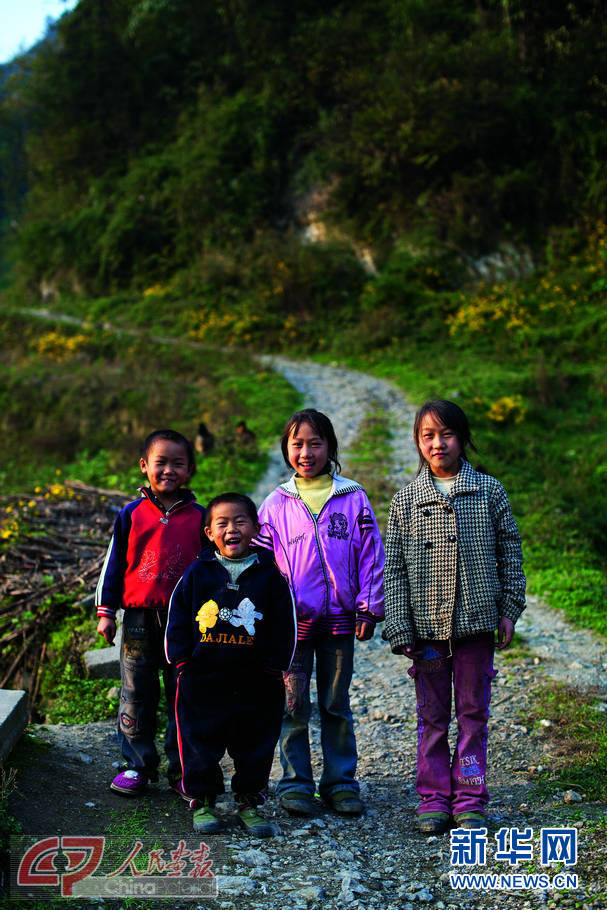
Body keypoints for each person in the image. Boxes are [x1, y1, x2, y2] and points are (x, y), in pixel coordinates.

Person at [383, 399, 526, 834]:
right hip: (426, 628)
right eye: (428, 435)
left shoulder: (488, 491)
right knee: (431, 716)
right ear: (417, 442)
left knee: (472, 712)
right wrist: (400, 624)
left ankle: (469, 795)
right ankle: (433, 797)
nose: (437, 443)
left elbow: (510, 553)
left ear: (462, 439)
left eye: (446, 434)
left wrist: (508, 609)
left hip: (476, 624)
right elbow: (394, 568)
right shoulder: (407, 500)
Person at [256, 408, 385, 818]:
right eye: (297, 444)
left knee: (335, 704)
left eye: (315, 443)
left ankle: (341, 783)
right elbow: (260, 566)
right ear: (286, 449)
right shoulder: (275, 504)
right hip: (291, 628)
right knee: (293, 706)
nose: (306, 452)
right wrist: (267, 617)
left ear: (330, 447)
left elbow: (371, 557)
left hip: (340, 623)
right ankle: (295, 782)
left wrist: (368, 607)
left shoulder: (352, 497)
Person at [165, 492, 296, 837]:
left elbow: (286, 625)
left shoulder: (270, 576)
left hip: (257, 681)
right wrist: (181, 663)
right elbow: (177, 619)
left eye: (240, 521)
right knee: (198, 740)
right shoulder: (197, 574)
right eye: (221, 523)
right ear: (209, 533)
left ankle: (248, 802)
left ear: (255, 527)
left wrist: (275, 667)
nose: (231, 529)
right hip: (202, 678)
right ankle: (203, 800)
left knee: (255, 741)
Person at [96, 429, 206, 798]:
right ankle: (137, 765)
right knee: (136, 694)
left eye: (178, 463)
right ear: (144, 466)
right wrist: (106, 611)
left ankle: (183, 770)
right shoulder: (130, 515)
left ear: (190, 470)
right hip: (140, 621)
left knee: (183, 695)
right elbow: (113, 565)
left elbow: (210, 570)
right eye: (161, 462)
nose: (169, 470)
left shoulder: (200, 518)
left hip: (185, 622)